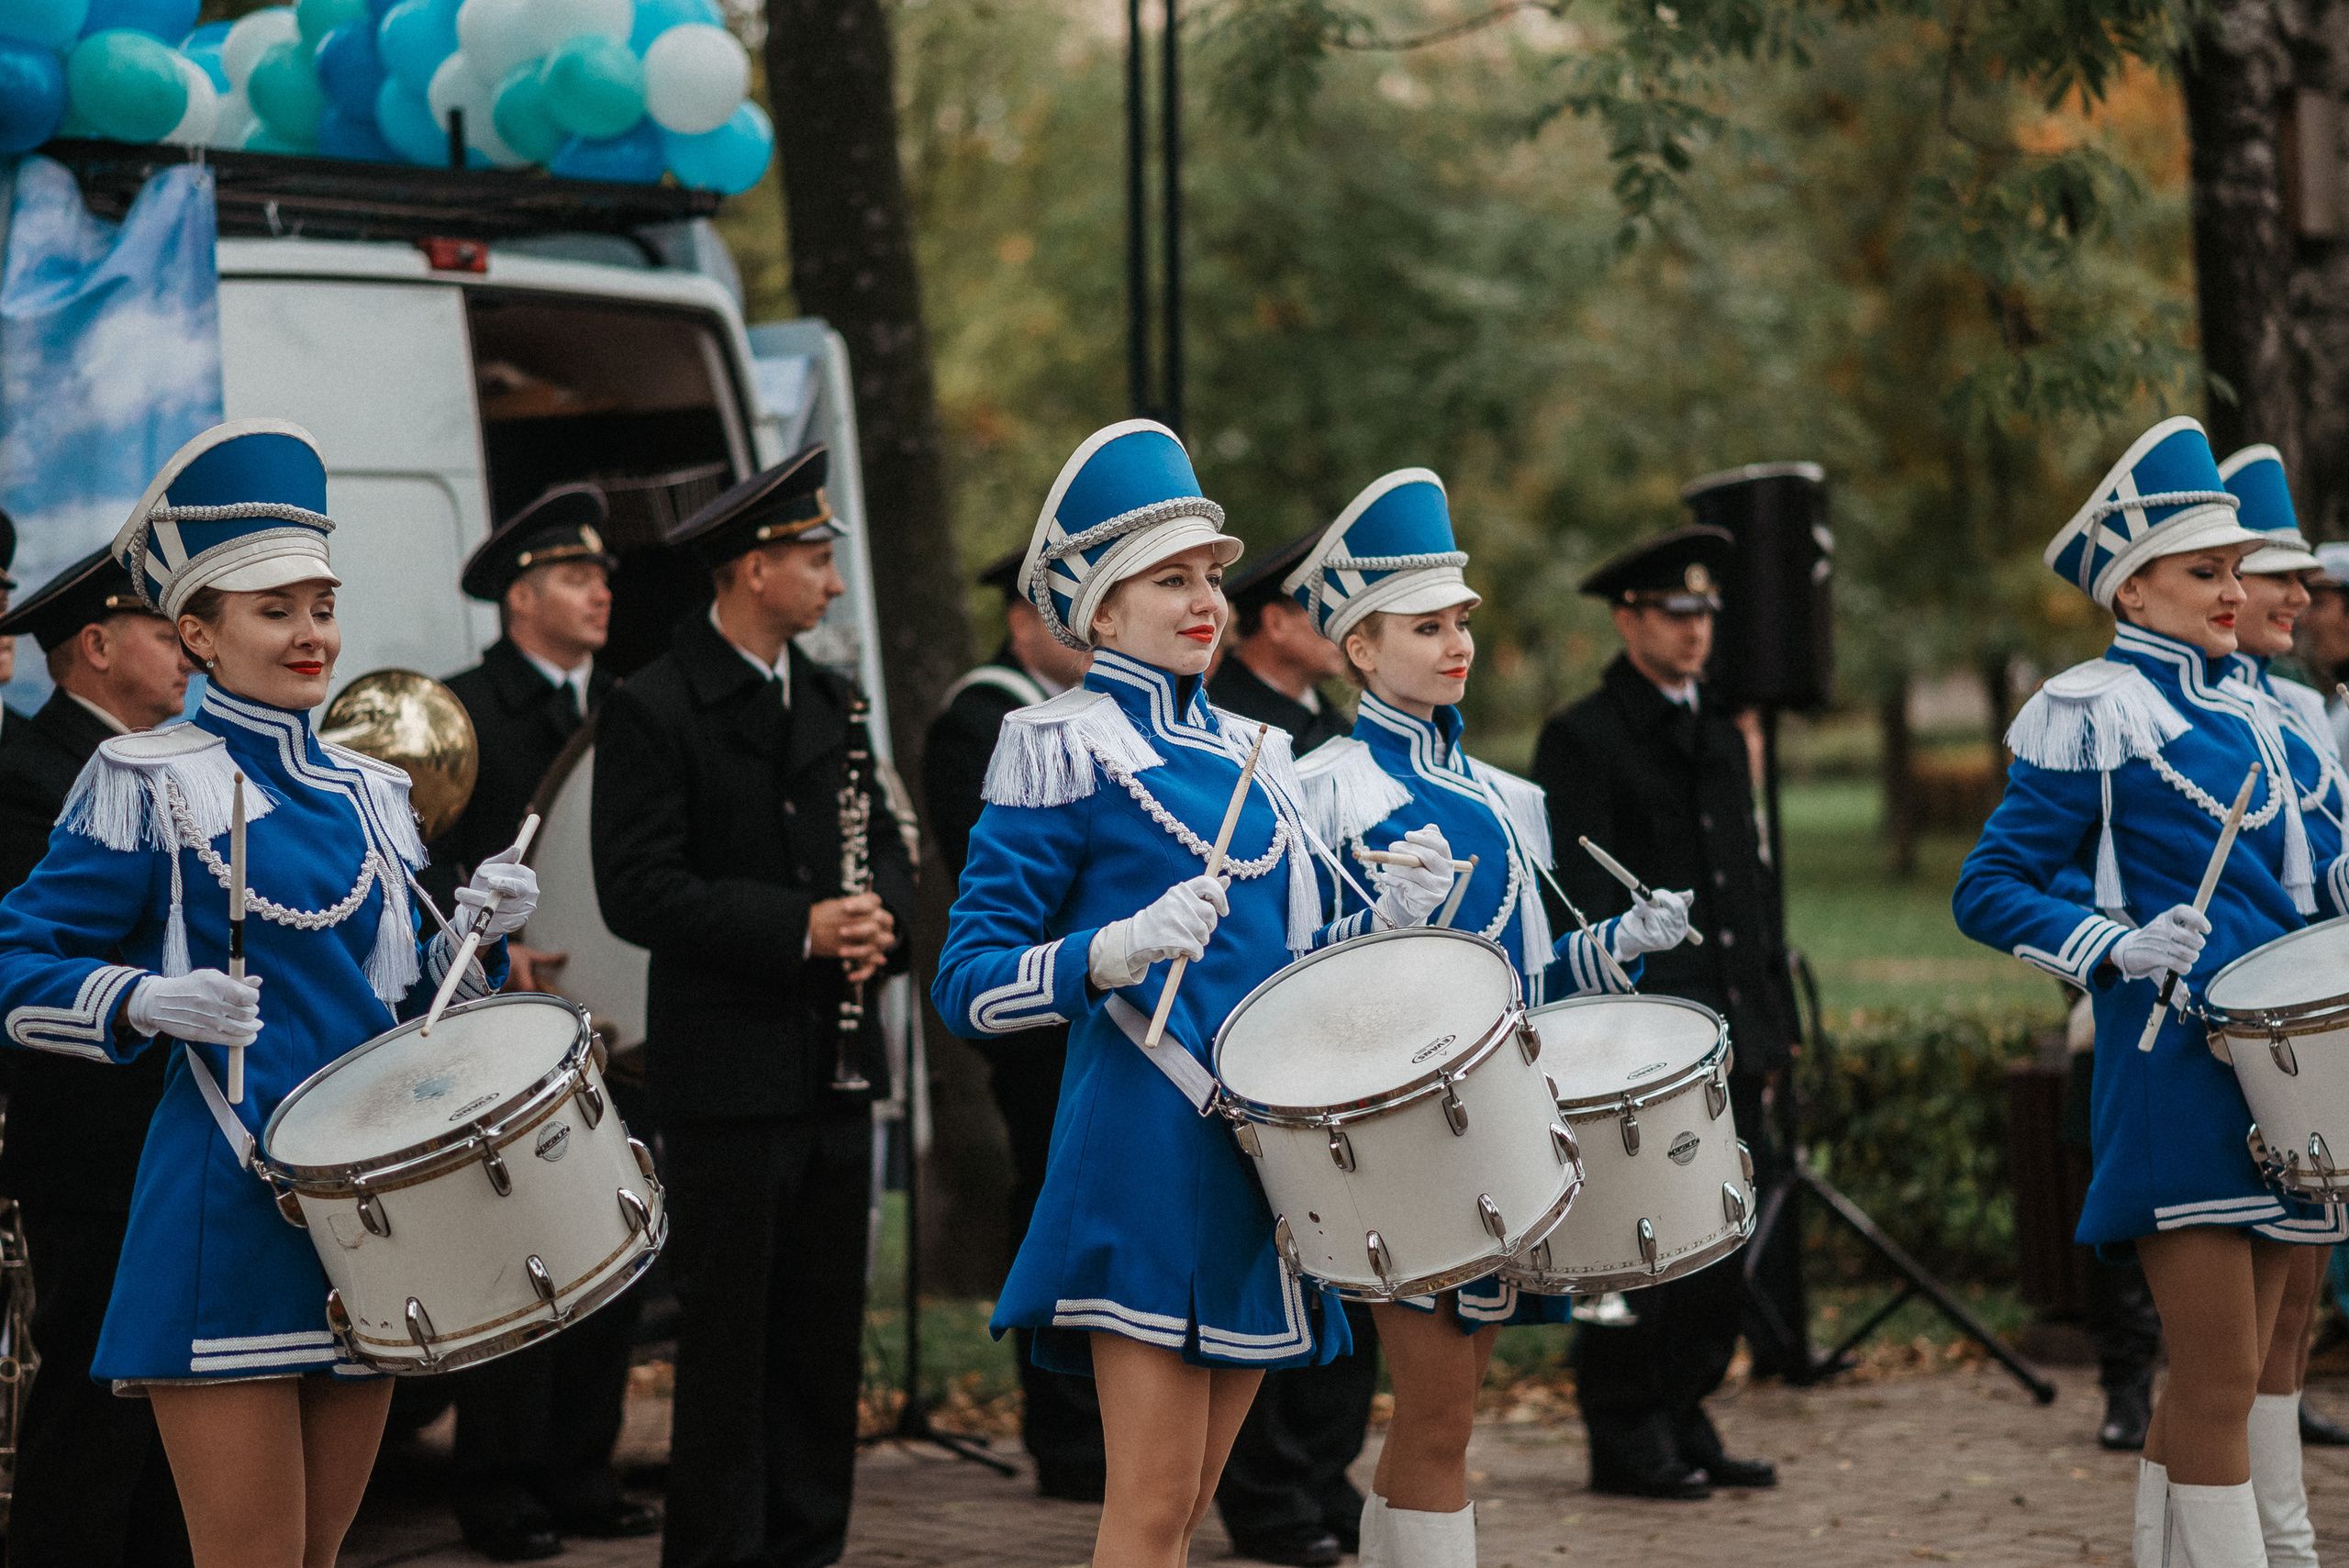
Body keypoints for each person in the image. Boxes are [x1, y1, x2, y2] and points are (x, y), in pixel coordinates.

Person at [0, 417, 535, 1568]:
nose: (312, 635)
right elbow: (15, 957)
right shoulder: (144, 777)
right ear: (196, 630)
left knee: (316, 1558)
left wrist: (477, 940)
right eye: (274, 609)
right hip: (224, 1199)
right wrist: (140, 999)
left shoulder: (369, 790)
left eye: (322, 605)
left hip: (373, 1210)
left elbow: (407, 1015)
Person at [932, 419, 1462, 1568]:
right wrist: (1108, 950)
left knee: (1185, 1511)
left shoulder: (1256, 755)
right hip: (1139, 1149)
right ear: (1100, 607)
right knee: (1149, 1503)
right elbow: (964, 984)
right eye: (1168, 579)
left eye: (1210, 575)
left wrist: (1392, 920)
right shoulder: (1056, 743)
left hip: (1255, 1161)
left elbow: (1294, 973)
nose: (1203, 598)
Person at [1954, 416, 2349, 1568]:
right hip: (2172, 1064)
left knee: (2260, 1354)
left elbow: (2306, 883)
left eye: (2234, 569)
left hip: (2282, 1075)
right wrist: (2107, 943)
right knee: (2221, 1371)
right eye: (2203, 571)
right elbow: (1989, 886)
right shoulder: (2097, 708)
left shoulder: (2265, 719)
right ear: (2132, 591)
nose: (2233, 590)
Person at [1277, 469, 1691, 1563]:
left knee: (1446, 1414)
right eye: (1425, 626)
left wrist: (1615, 944)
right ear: (1360, 648)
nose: (1455, 643)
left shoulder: (1506, 796)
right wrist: (1382, 930)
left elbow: (1528, 979)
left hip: (1497, 1130)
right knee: (1439, 1413)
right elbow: (1303, 1005)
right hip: (1403, 1143)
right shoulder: (1320, 788)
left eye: (1460, 619)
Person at [591, 442, 915, 1568]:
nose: (832, 583)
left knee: (822, 1340)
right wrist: (801, 924)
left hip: (837, 1068)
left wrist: (887, 926)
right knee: (728, 1345)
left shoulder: (836, 701)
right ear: (750, 568)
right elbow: (638, 887)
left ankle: (804, 1545)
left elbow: (896, 862)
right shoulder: (654, 703)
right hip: (727, 1075)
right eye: (815, 558)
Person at [1531, 522, 1800, 1500]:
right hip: (1639, 1036)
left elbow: (1747, 884)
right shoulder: (1583, 734)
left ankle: (1686, 1408)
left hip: (1730, 1029)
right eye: (1675, 613)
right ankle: (1625, 1427)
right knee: (1634, 1246)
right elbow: (1576, 894)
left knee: (1719, 1239)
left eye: (1706, 613)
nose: (1695, 632)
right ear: (1628, 617)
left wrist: (1768, 1020)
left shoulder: (1720, 731)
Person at [429, 484, 654, 1562]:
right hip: (502, 1029)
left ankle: (581, 1468)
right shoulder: (459, 712)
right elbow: (419, 871)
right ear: (522, 598)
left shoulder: (625, 706)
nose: (600, 591)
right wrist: (483, 953)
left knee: (604, 1239)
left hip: (606, 1033)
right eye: (575, 575)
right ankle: (500, 1481)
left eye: (602, 575)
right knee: (517, 1257)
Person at [0, 548, 195, 1567]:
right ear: (97, 644)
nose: (187, 658)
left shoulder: (161, 761)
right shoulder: (35, 774)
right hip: (93, 1143)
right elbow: (42, 951)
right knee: (91, 1411)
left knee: (168, 1423)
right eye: (166, 634)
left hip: (159, 1137)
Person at [921, 547, 1108, 1502]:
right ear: (1020, 624)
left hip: (1109, 1013)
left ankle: (1106, 1424)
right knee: (1055, 1207)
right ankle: (1066, 1434)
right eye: (1062, 617)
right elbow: (995, 878)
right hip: (1041, 1018)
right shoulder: (980, 718)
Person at [1197, 526, 1366, 1568]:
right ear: (1270, 623)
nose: (1340, 625)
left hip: (1340, 1027)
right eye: (1320, 606)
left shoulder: (1331, 729)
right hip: (1256, 1029)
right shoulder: (1235, 733)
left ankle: (1324, 1468)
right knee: (1267, 1259)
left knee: (1341, 1259)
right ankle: (1265, 1493)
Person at [2210, 442, 2349, 1565]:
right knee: (2229, 1331)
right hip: (2231, 1037)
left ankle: (2282, 1530)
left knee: (2297, 1304)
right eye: (2277, 575)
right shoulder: (2180, 703)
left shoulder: (2302, 705)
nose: (2300, 598)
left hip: (2314, 1031)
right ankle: (2264, 1541)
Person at [1209, 528, 1350, 757]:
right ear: (1276, 623)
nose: (1345, 628)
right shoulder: (1215, 718)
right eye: (1329, 611)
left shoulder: (1337, 727)